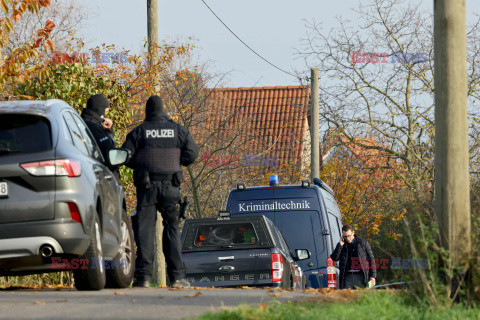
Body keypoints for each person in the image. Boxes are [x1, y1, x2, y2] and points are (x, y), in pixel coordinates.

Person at [122, 95, 198, 288]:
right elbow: (192, 155)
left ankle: (143, 278)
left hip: (146, 188)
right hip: (171, 188)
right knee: (172, 229)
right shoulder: (178, 130)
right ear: (163, 110)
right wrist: (176, 162)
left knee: (145, 232)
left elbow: (125, 155)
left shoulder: (139, 132)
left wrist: (141, 164)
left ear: (147, 112)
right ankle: (177, 277)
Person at [330, 225, 376, 289]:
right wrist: (340, 245)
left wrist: (372, 276)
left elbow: (371, 259)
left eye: (349, 236)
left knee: (360, 297)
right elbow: (334, 258)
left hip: (361, 275)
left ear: (353, 233)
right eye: (345, 236)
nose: (347, 238)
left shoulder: (363, 243)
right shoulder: (341, 245)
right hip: (347, 276)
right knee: (346, 297)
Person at [81, 94, 117, 171]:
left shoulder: (82, 122)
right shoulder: (93, 127)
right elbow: (110, 152)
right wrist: (109, 132)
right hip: (99, 172)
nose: (106, 115)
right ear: (100, 110)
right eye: (106, 111)